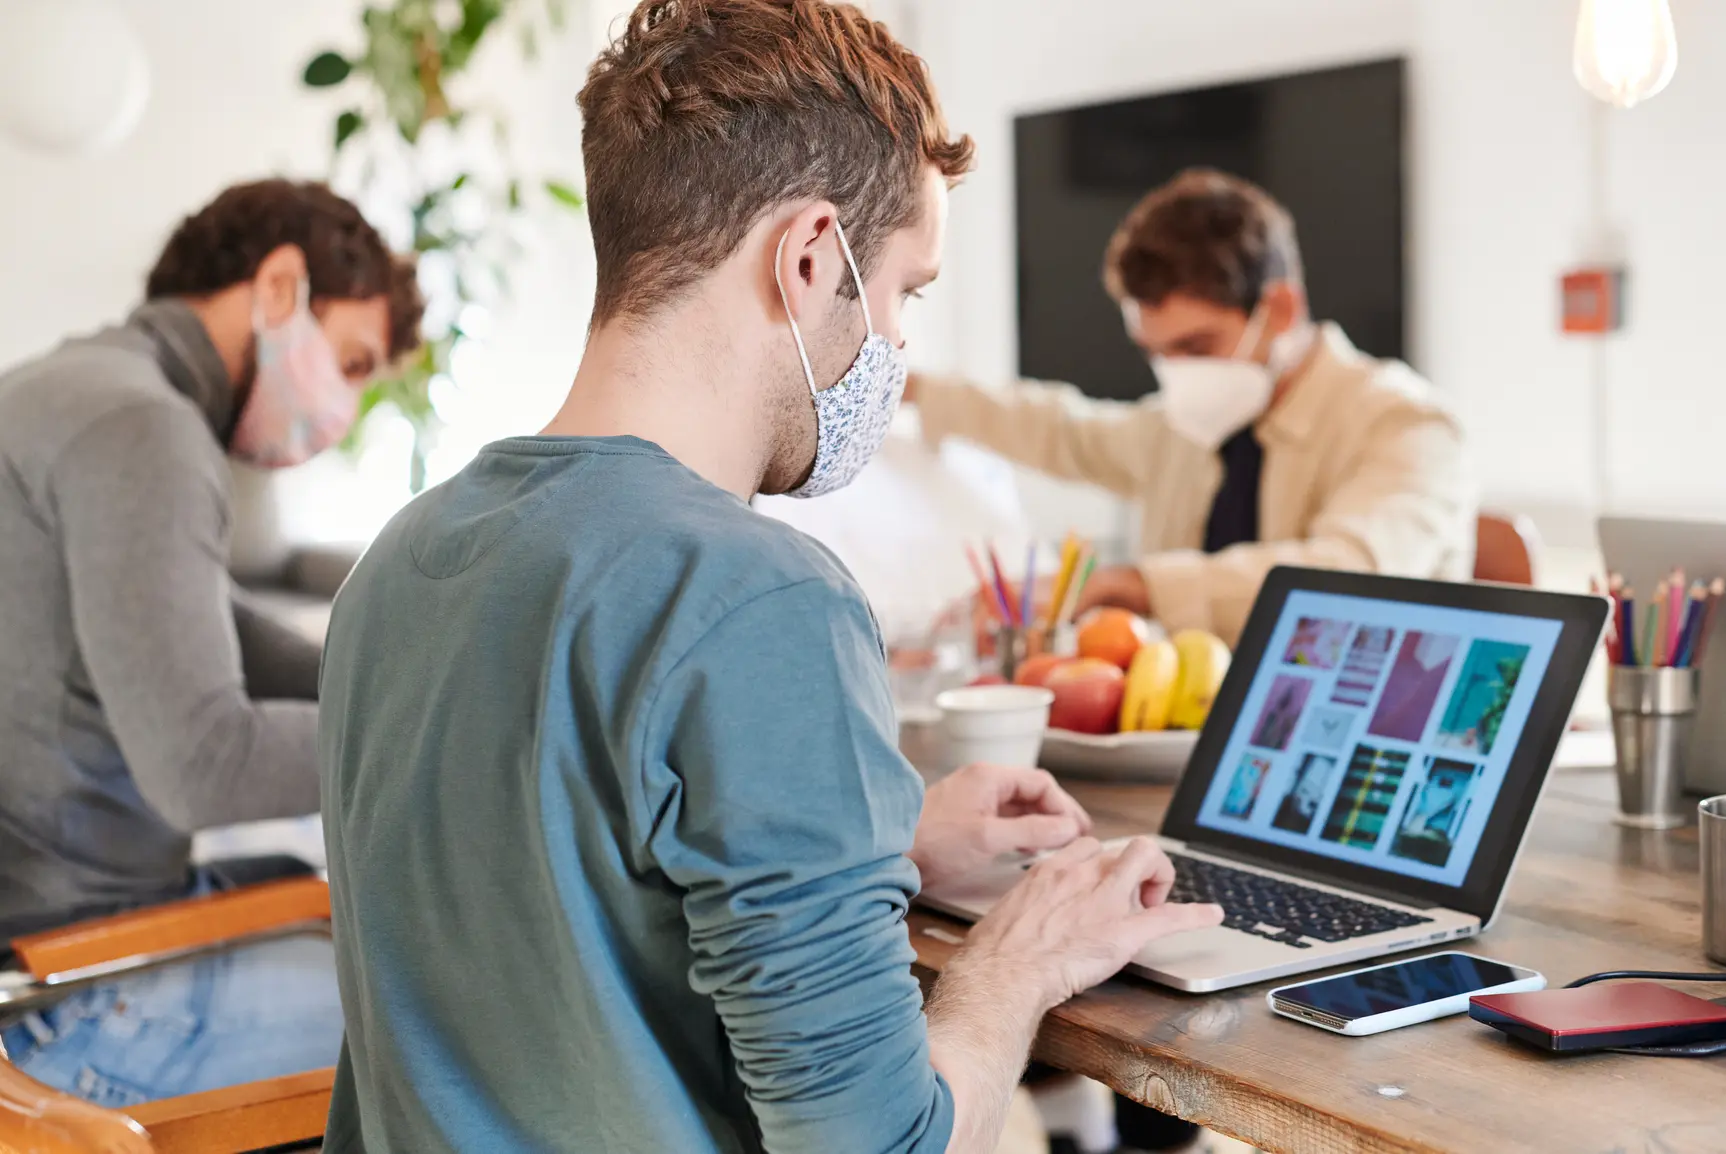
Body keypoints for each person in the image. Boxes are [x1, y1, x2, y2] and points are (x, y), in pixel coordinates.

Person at [317, 3, 1223, 1152]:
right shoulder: (763, 598)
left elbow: (560, 900)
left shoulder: (400, 558)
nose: (898, 348)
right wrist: (1018, 958)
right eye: (906, 293)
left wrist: (874, 844)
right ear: (807, 259)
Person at [0, 179, 422, 1103]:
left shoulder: (57, 389)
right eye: (351, 363)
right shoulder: (140, 428)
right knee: (459, 1010)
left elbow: (207, 623)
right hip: (59, 998)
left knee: (308, 887)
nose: (342, 411)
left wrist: (399, 678)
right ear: (278, 288)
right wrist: (436, 739)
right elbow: (204, 763)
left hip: (48, 941)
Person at [908, 168, 1475, 645]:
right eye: (1157, 354)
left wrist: (1134, 585)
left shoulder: (1406, 425)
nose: (1178, 375)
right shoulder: (1183, 429)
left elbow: (1350, 579)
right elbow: (1064, 431)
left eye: (1195, 347)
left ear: (1279, 308)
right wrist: (914, 391)